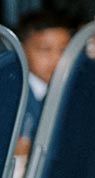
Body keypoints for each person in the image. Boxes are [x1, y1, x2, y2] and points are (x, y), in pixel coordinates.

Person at [14, 9, 72, 155]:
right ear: (22, 50)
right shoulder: (12, 93)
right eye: (45, 50)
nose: (57, 59)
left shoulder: (73, 89)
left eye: (63, 50)